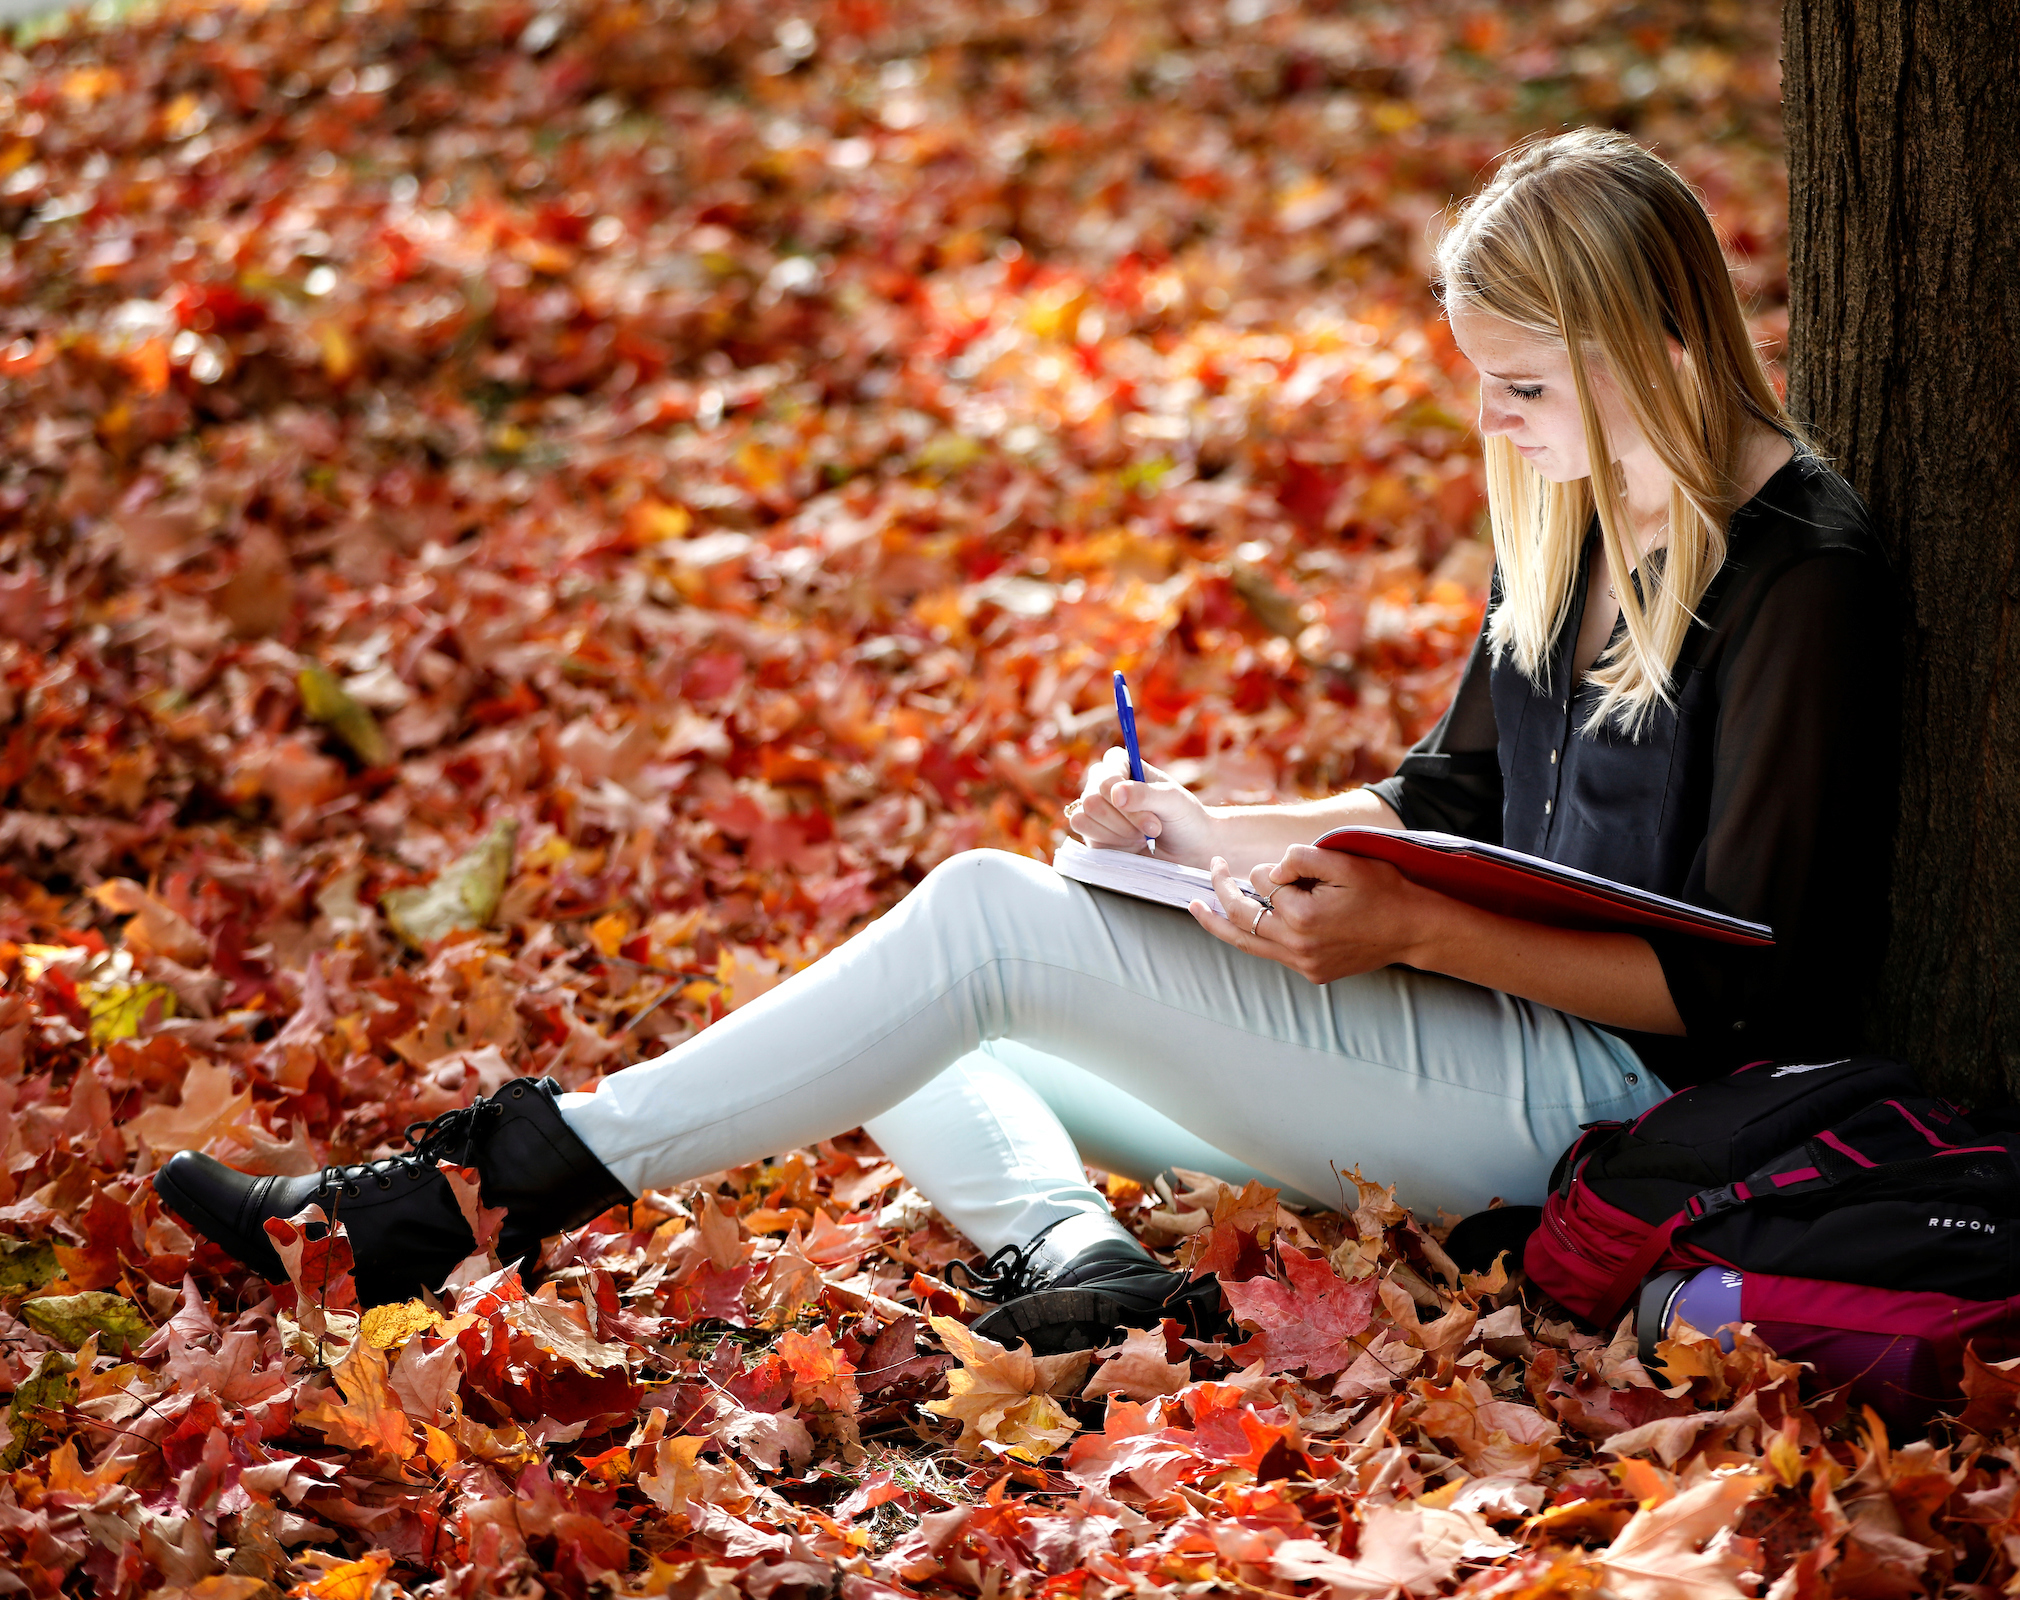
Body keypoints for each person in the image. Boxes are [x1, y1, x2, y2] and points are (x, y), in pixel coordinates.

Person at [157, 128, 1898, 1350]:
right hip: (1472, 1029)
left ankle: (453, 1206)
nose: (1498, 430)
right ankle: (1072, 1256)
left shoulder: (1797, 574)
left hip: (1608, 1115)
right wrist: (1200, 832)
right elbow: (1447, 794)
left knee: (978, 925)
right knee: (906, 1020)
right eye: (1482, 386)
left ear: (1656, 343)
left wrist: (1410, 931)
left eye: (1523, 387)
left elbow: (1747, 994)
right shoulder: (1592, 513)